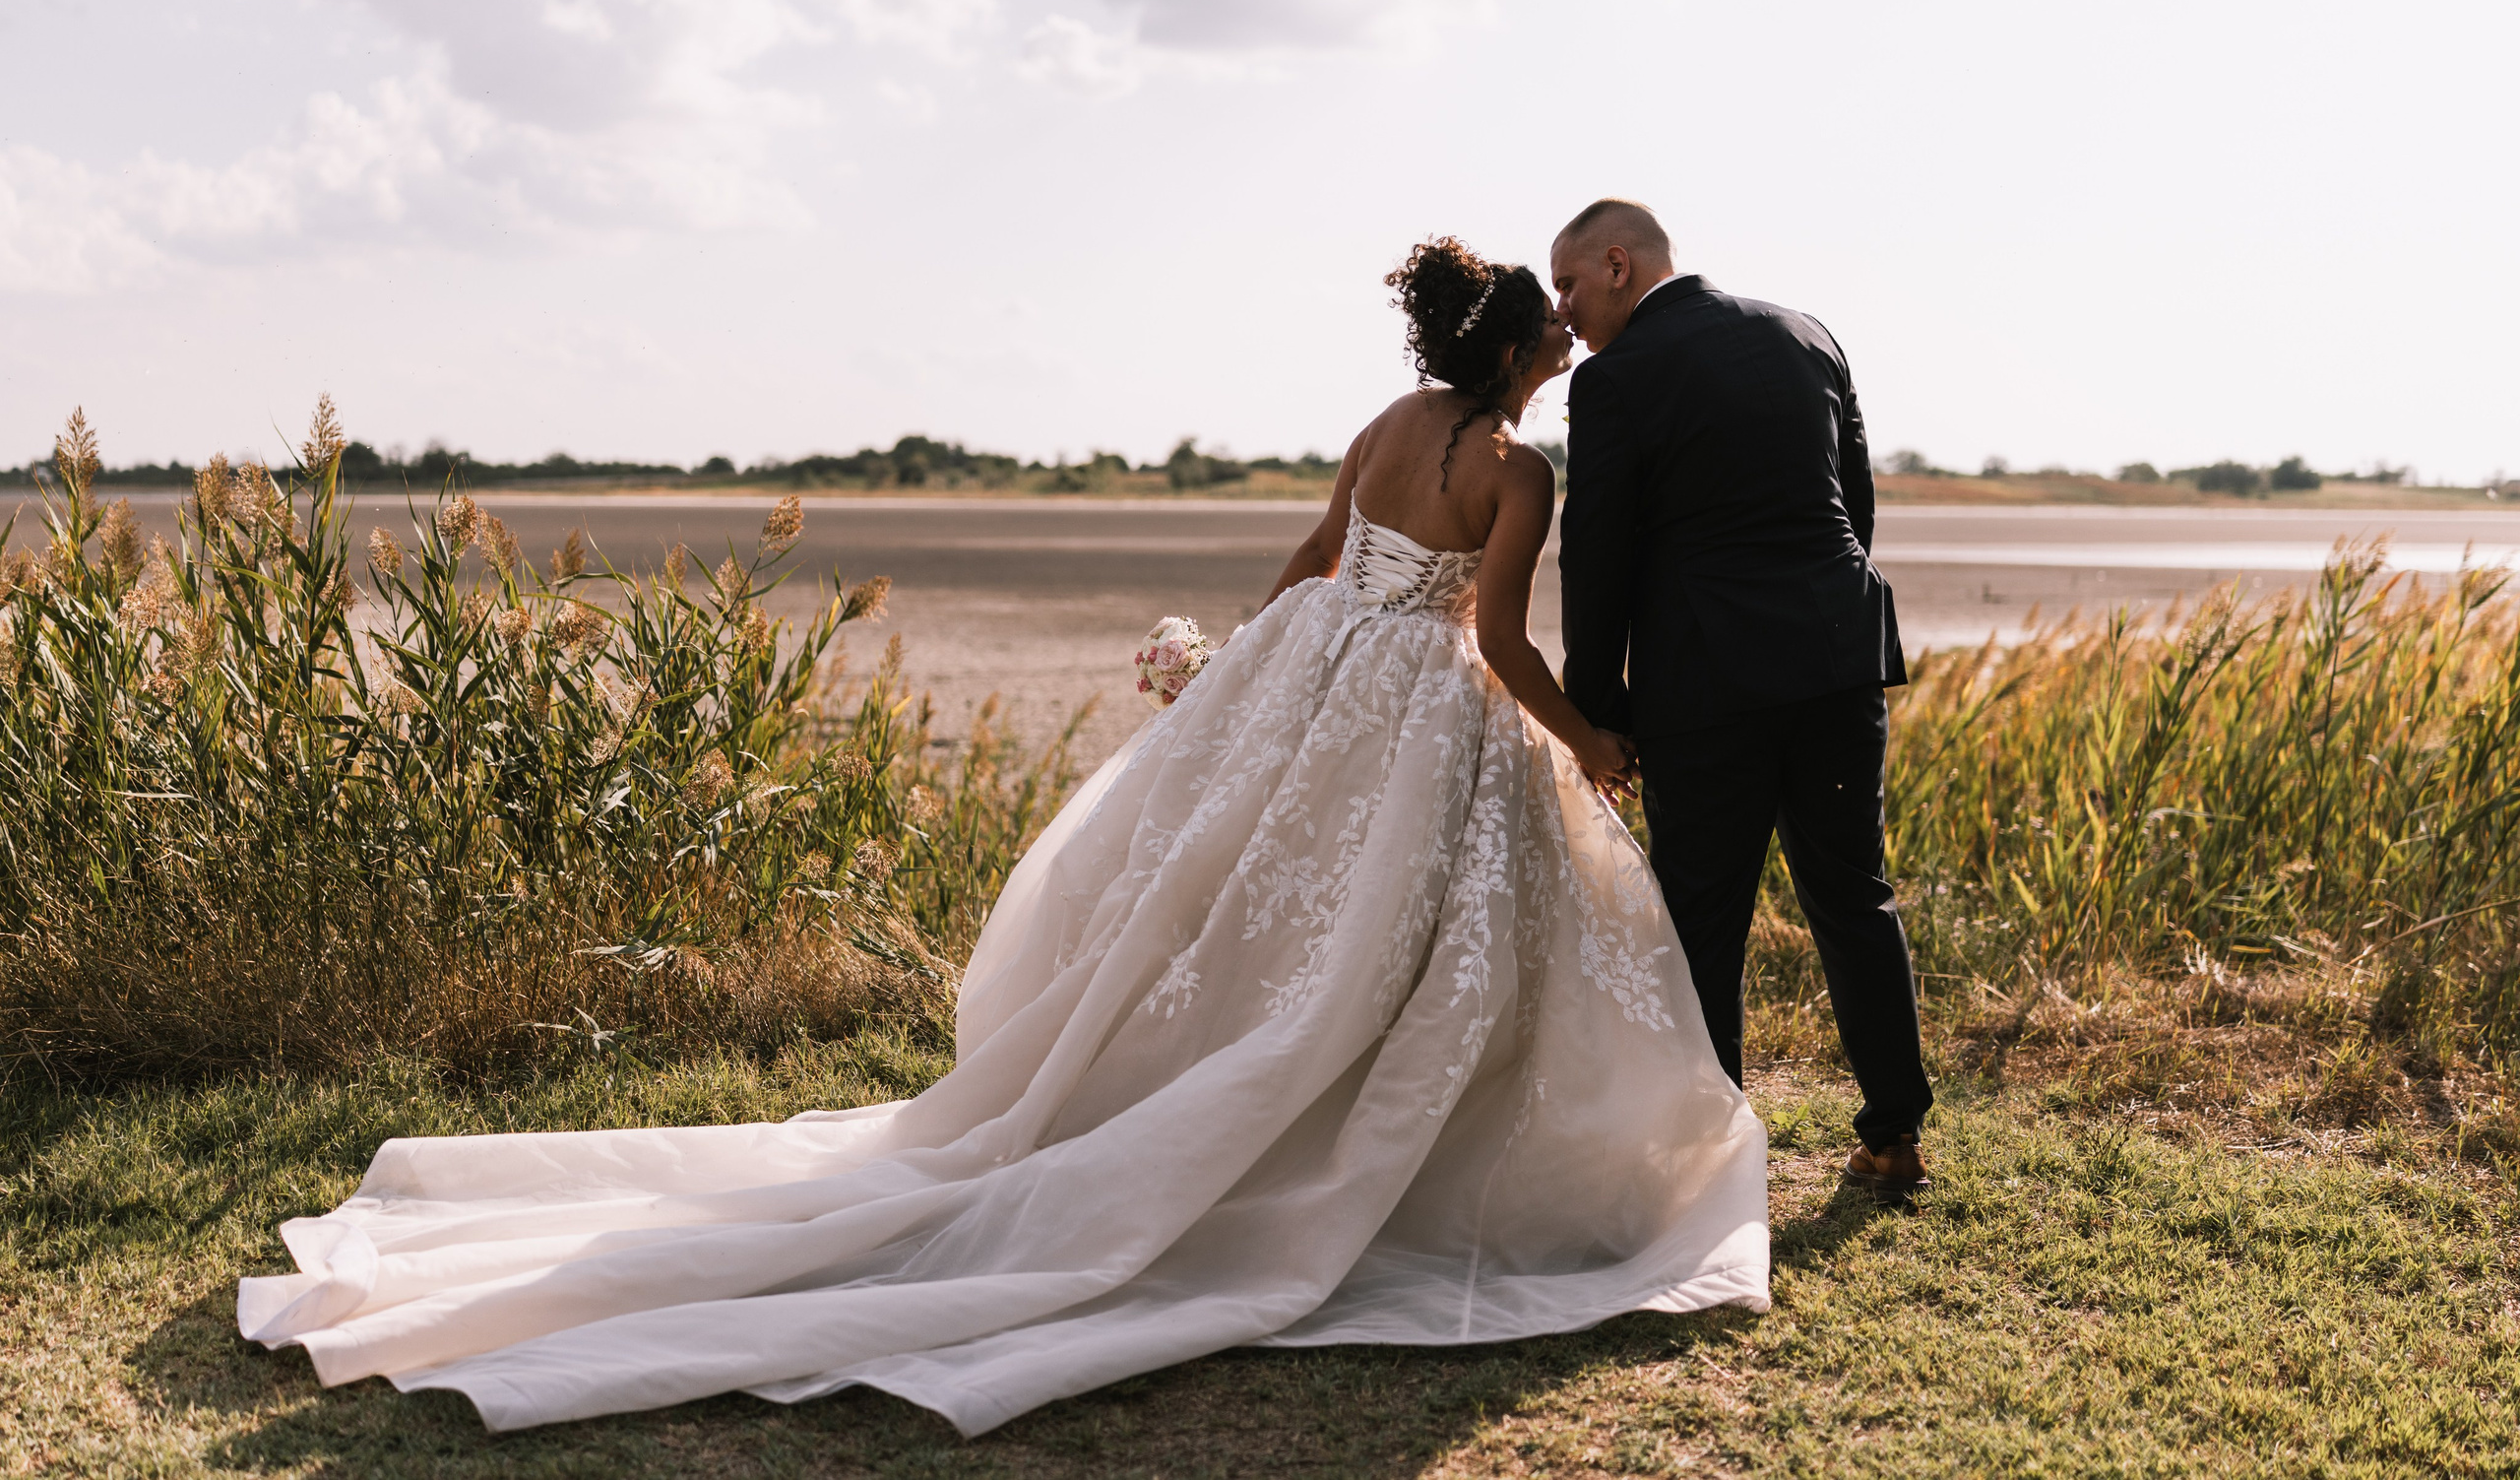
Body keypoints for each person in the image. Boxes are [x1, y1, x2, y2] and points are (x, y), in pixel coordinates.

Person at [236, 236, 1769, 1436]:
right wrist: (1590, 741)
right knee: (1379, 944)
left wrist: (1243, 679)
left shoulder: (1385, 421)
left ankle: (1260, 1108)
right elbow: (1499, 642)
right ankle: (1365, 1150)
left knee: (1264, 926)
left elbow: (1314, 556)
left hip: (1316, 676)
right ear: (1514, 347)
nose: (1572, 341)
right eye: (1556, 331)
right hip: (1421, 706)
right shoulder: (1521, 466)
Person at [1551, 197, 1934, 1193]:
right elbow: (1855, 504)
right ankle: (1893, 1138)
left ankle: (1710, 1159)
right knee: (1854, 892)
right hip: (1838, 660)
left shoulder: (1616, 379)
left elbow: (1595, 560)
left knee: (1701, 916)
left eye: (1570, 285)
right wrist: (1812, 620)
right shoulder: (1806, 334)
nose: (1565, 313)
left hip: (1706, 680)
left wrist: (1595, 710)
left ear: (1619, 264)